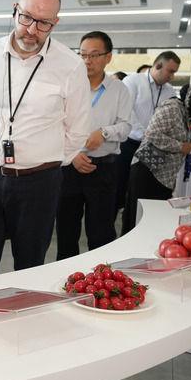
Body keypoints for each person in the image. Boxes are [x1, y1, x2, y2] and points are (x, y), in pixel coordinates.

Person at [0, 0, 91, 279]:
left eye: (44, 23)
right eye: (27, 18)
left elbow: (78, 130)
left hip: (38, 184)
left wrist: (43, 162)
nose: (32, 30)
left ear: (55, 22)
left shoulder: (70, 65)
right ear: (15, 10)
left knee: (30, 268)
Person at [56, 32, 131, 260]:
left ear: (108, 57)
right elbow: (54, 125)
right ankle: (66, 276)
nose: (87, 61)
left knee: (101, 232)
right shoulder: (67, 86)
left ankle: (101, 276)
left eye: (94, 55)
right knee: (66, 230)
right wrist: (73, 155)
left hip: (103, 169)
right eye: (83, 55)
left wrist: (104, 132)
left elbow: (126, 127)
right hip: (69, 168)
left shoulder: (119, 89)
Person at [122, 83, 191, 234]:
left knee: (153, 223)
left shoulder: (186, 114)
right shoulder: (172, 108)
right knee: (139, 221)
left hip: (163, 177)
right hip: (148, 172)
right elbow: (152, 134)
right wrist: (180, 146)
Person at [115, 51, 181, 218]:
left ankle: (140, 222)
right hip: (130, 144)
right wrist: (147, 134)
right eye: (170, 71)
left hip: (154, 148)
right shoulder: (133, 81)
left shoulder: (169, 90)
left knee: (144, 191)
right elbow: (127, 112)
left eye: (174, 72)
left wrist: (154, 138)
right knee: (120, 188)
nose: (172, 77)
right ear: (158, 65)